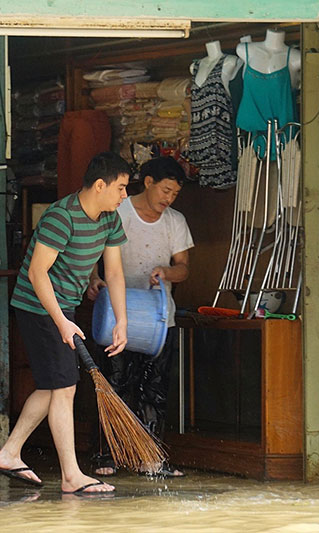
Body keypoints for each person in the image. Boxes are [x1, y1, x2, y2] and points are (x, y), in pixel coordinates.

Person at [0, 152, 130, 495]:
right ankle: (71, 475)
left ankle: (9, 452)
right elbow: (38, 273)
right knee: (65, 385)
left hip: (64, 309)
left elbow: (113, 271)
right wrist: (62, 322)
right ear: (101, 185)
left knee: (54, 384)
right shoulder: (61, 216)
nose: (124, 195)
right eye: (122, 188)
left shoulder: (110, 219)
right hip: (37, 306)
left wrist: (122, 320)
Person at [87, 156, 194, 477]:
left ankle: (151, 458)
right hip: (115, 315)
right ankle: (107, 456)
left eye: (174, 194)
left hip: (159, 321)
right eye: (165, 190)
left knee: (155, 390)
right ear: (147, 182)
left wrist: (167, 272)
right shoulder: (118, 212)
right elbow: (93, 251)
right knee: (114, 384)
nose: (168, 199)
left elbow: (184, 269)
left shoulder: (175, 221)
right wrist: (94, 278)